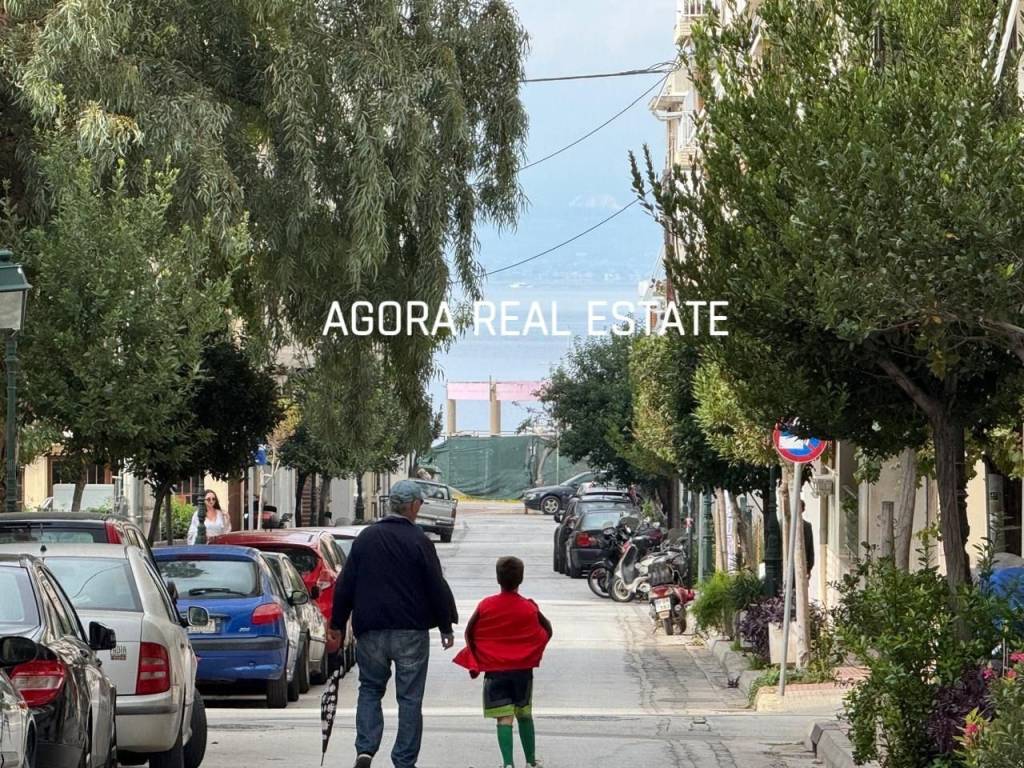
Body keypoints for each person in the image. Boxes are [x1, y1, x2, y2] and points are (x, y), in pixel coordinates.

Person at [327, 479, 455, 768]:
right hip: (411, 631)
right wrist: (445, 626)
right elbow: (435, 585)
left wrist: (337, 624)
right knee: (409, 698)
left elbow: (345, 584)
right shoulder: (419, 540)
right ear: (413, 506)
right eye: (420, 503)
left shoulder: (366, 538)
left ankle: (365, 749)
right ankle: (404, 760)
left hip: (371, 629)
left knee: (370, 689)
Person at [454, 556, 552, 768]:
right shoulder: (529, 607)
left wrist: (479, 657)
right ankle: (530, 761)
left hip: (496, 671)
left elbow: (471, 633)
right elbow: (546, 631)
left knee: (504, 718)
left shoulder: (486, 605)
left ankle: (508, 764)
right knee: (524, 714)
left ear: (498, 578)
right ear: (521, 579)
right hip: (522, 671)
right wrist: (532, 653)